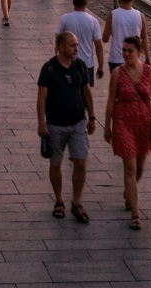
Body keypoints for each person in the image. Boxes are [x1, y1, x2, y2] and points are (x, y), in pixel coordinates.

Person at [104, 35, 151, 230]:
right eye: (123, 50)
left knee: (139, 167)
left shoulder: (149, 72)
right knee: (130, 168)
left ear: (139, 52)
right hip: (123, 123)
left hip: (143, 125)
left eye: (130, 51)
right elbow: (110, 101)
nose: (126, 54)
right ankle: (135, 214)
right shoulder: (117, 73)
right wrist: (107, 126)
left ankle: (128, 193)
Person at [37, 32, 96, 223]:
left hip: (78, 122)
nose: (76, 49)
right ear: (61, 47)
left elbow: (86, 91)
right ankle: (59, 200)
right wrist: (41, 122)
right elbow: (41, 98)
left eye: (77, 45)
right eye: (72, 45)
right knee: (56, 163)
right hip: (55, 124)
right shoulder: (49, 68)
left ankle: (77, 203)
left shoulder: (80, 66)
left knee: (81, 162)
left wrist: (92, 116)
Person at [57, 0, 105, 86]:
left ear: (73, 2)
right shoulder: (93, 21)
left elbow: (58, 39)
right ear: (86, 3)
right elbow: (98, 47)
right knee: (86, 91)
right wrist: (100, 66)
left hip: (68, 62)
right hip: (87, 64)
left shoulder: (65, 19)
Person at [103, 0, 151, 70]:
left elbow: (105, 39)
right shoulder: (140, 16)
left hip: (116, 59)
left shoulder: (112, 15)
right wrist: (147, 57)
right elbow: (144, 38)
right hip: (134, 58)